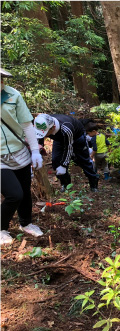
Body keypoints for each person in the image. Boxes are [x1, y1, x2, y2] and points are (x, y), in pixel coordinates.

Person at [1, 68, 44, 244]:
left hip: (19, 152)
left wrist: (35, 150)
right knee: (14, 194)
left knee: (25, 191)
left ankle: (26, 223)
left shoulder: (13, 95)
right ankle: (1, 227)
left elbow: (27, 125)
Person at [34, 113, 99, 192]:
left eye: (45, 133)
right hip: (59, 139)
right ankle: (65, 184)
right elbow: (39, 134)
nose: (44, 135)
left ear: (53, 128)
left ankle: (93, 184)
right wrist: (39, 146)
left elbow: (68, 148)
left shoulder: (66, 128)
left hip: (77, 137)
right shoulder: (44, 122)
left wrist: (64, 165)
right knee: (56, 160)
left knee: (84, 160)